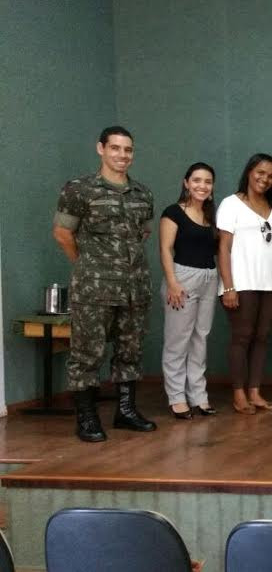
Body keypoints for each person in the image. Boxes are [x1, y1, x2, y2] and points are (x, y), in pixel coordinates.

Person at [53, 125, 158, 442]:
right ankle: (86, 418)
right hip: (94, 290)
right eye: (115, 148)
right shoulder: (79, 190)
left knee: (130, 351)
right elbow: (62, 233)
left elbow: (143, 234)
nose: (122, 155)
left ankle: (125, 412)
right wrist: (88, 266)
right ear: (101, 149)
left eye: (127, 150)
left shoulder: (142, 193)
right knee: (87, 354)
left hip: (134, 289)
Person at [216, 153, 272, 415]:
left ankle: (255, 391)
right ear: (249, 172)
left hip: (271, 282)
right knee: (242, 336)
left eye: (270, 176)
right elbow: (223, 248)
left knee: (262, 337)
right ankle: (239, 394)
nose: (265, 179)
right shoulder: (230, 204)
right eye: (260, 172)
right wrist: (228, 286)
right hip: (241, 282)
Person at [158, 162, 219, 419]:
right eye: (196, 180)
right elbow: (165, 249)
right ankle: (176, 398)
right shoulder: (173, 212)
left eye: (207, 181)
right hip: (182, 277)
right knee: (177, 341)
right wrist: (172, 282)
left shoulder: (211, 216)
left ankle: (198, 396)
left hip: (209, 277)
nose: (201, 186)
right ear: (186, 183)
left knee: (200, 338)